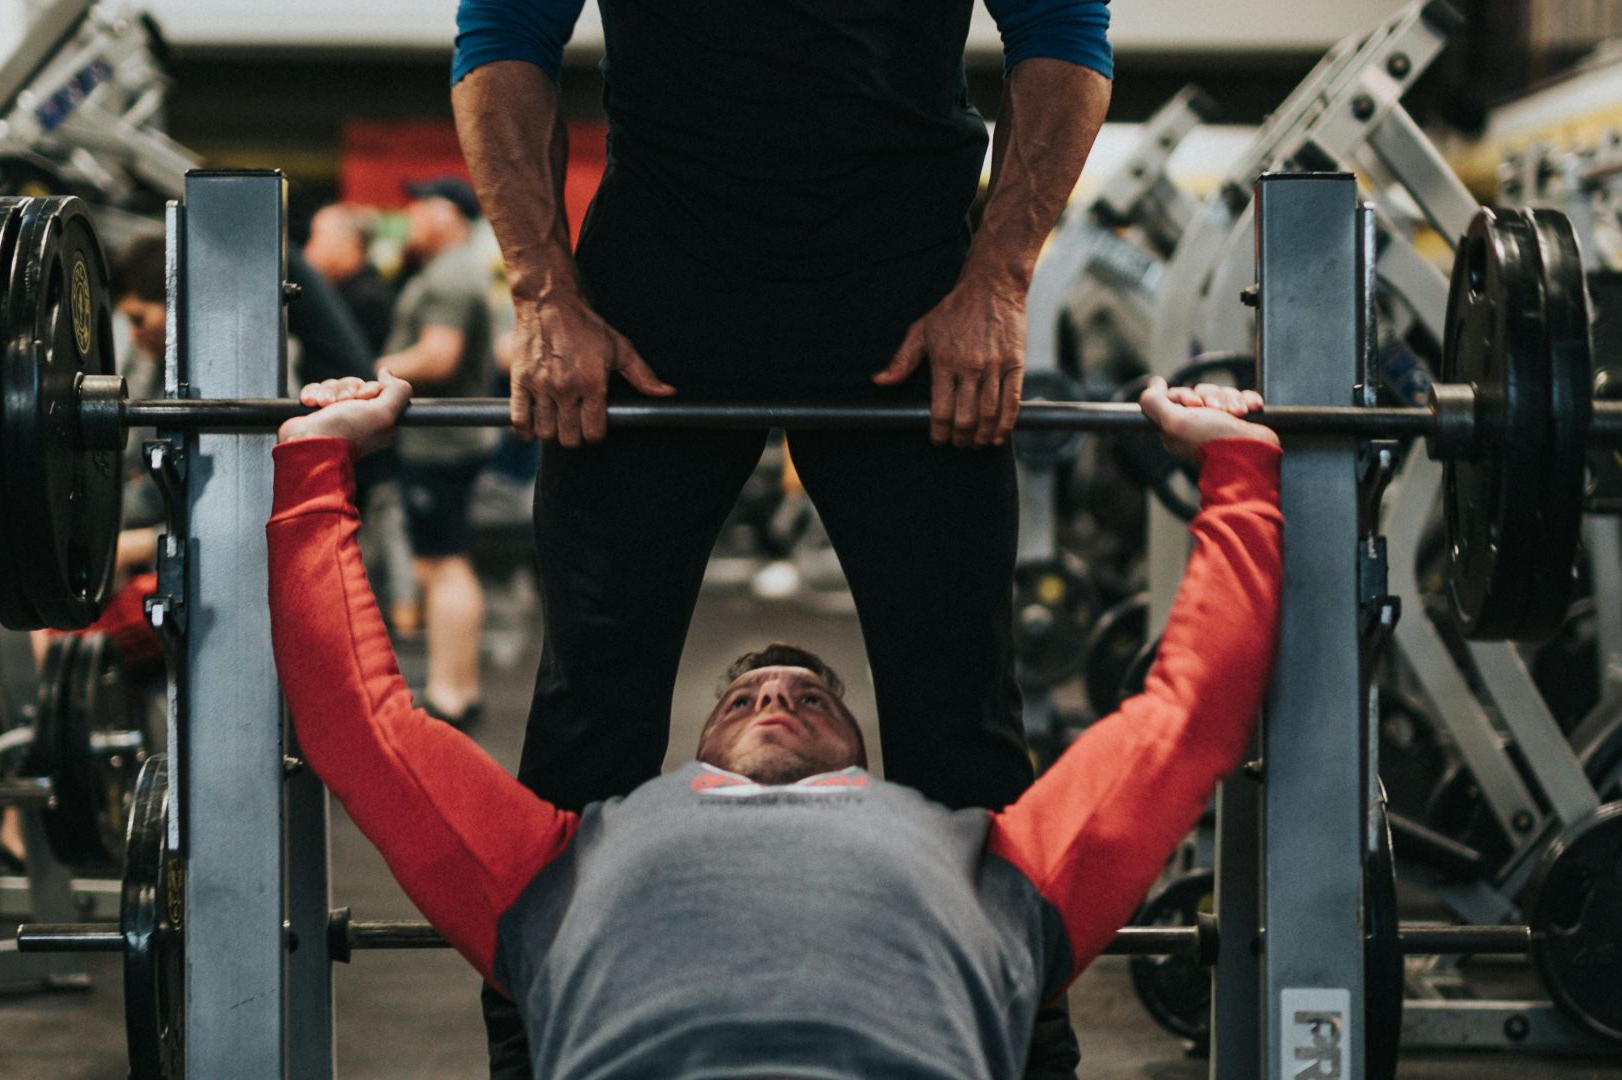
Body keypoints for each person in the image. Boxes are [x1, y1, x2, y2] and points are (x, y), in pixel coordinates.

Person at [268, 370, 1280, 1079]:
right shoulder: (559, 864)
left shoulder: (992, 863)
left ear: (872, 770)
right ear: (690, 756)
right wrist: (314, 463)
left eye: (810, 697)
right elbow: (363, 726)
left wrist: (1240, 469)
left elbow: (1185, 719)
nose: (777, 700)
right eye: (748, 697)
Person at [452, 3, 1113, 1068]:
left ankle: (1012, 1054)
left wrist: (997, 282)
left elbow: (1067, 33)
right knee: (589, 710)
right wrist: (543, 293)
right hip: (658, 287)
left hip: (905, 286)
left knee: (962, 714)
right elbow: (500, 38)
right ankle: (542, 1053)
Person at [375, 177, 500, 723]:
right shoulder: (450, 270)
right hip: (442, 443)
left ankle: (453, 695)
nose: (412, 218)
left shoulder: (451, 276)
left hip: (443, 445)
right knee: (439, 564)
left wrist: (369, 376)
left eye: (421, 207)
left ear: (449, 215)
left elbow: (439, 355)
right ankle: (455, 688)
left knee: (443, 565)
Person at [304, 203, 396, 362]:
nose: (307, 250)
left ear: (347, 244)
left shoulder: (368, 298)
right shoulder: (341, 290)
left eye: (315, 236)